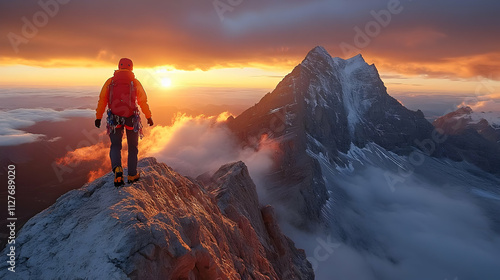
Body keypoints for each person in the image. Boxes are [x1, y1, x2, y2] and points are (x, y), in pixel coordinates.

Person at [94, 58, 154, 187]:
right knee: (133, 147)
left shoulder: (110, 82)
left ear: (119, 67)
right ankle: (132, 175)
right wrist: (148, 117)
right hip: (131, 118)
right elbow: (143, 101)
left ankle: (118, 171)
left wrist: (98, 117)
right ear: (131, 68)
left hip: (114, 118)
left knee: (115, 146)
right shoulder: (135, 82)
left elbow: (102, 100)